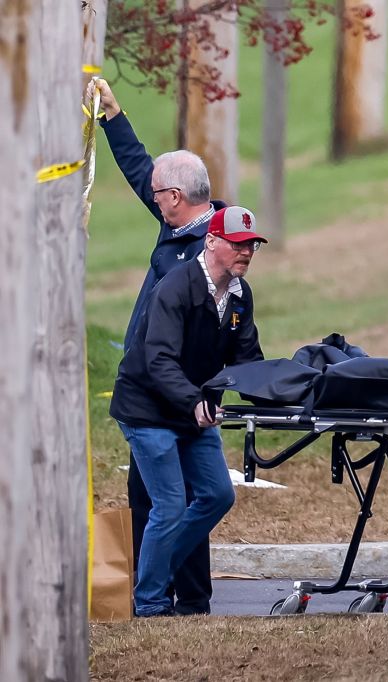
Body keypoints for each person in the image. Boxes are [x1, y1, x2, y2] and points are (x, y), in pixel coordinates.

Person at [87, 78, 226, 615]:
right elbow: (140, 166)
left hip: (180, 388)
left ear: (177, 198)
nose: (153, 199)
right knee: (152, 498)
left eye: (160, 194)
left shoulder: (212, 244)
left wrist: (196, 392)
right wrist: (112, 118)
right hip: (147, 385)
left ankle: (188, 597)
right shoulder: (177, 221)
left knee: (188, 499)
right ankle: (155, 595)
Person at [110, 206, 267, 617]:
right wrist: (195, 401)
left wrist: (288, 390)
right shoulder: (175, 288)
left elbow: (247, 358)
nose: (246, 252)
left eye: (251, 244)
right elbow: (159, 359)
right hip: (146, 409)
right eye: (238, 243)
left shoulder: (239, 295)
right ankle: (150, 605)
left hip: (190, 410)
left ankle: (154, 572)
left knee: (217, 495)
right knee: (169, 504)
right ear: (211, 242)